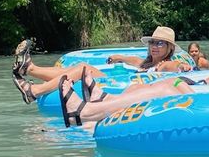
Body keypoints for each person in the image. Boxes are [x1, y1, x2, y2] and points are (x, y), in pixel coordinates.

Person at [54, 36, 209, 126]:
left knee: (168, 86)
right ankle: (102, 102)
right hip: (208, 97)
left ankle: (86, 113)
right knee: (164, 85)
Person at [11, 26, 192, 104]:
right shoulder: (145, 63)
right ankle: (30, 69)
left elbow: (176, 66)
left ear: (169, 48)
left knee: (83, 69)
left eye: (160, 43)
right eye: (152, 42)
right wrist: (118, 57)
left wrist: (183, 67)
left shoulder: (165, 65)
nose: (154, 46)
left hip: (118, 87)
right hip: (119, 81)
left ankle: (34, 92)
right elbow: (133, 61)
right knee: (76, 68)